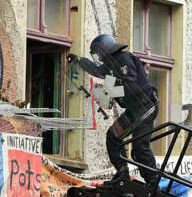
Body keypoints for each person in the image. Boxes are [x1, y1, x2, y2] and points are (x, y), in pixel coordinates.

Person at [67, 34, 160, 186]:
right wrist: (79, 61)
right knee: (113, 136)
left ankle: (153, 182)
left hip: (145, 107)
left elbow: (129, 83)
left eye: (98, 52)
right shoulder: (110, 66)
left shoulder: (123, 59)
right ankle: (122, 172)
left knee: (140, 147)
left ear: (104, 49)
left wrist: (109, 89)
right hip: (135, 110)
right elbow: (96, 70)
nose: (99, 57)